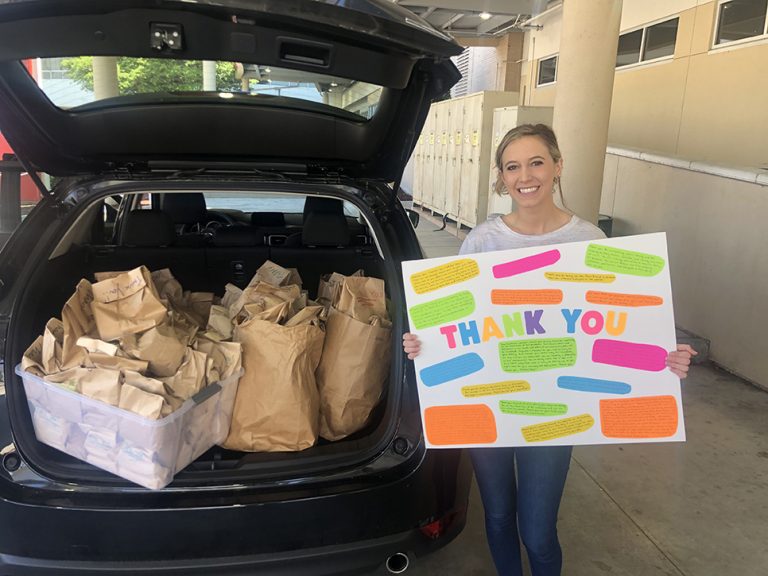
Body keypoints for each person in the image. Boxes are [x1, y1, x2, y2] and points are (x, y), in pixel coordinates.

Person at [402, 123, 696, 576]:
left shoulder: (589, 242)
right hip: (490, 404)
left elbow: (619, 327)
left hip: (555, 410)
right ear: (502, 178)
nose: (526, 176)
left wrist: (663, 357)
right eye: (513, 166)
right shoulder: (482, 240)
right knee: (497, 516)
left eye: (536, 162)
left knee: (538, 530)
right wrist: (425, 343)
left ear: (557, 167)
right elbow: (457, 321)